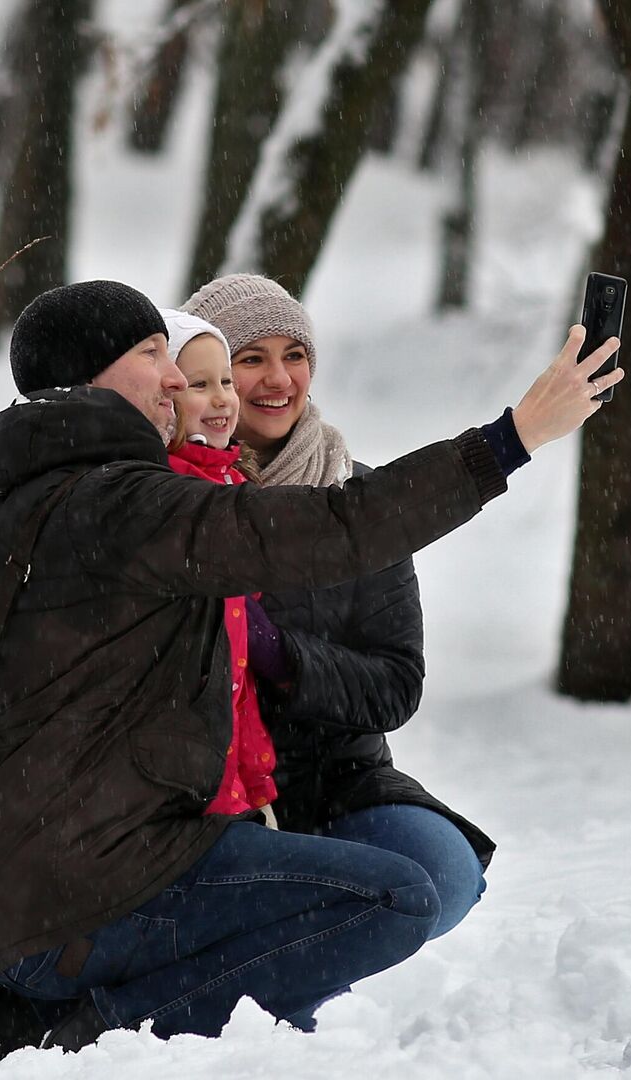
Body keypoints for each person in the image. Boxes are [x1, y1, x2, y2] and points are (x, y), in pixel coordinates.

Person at [0, 280, 622, 1065]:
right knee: (396, 899)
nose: (173, 380)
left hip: (16, 891)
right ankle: (95, 1028)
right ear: (88, 379)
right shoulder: (125, 508)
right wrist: (512, 438)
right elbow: (345, 525)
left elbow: (387, 669)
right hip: (87, 899)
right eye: (154, 357)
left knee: (423, 873)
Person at [183, 274, 490, 943]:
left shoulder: (361, 500)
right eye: (250, 357)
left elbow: (395, 684)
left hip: (339, 783)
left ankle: (289, 951)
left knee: (443, 875)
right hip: (210, 797)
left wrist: (282, 658)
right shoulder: (179, 498)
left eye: (294, 355)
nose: (278, 379)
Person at [160, 307, 279, 822]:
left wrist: (256, 781)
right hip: (186, 765)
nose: (222, 398)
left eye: (226, 381)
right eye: (199, 383)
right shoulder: (166, 490)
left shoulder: (232, 484)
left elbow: (241, 677)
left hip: (231, 748)